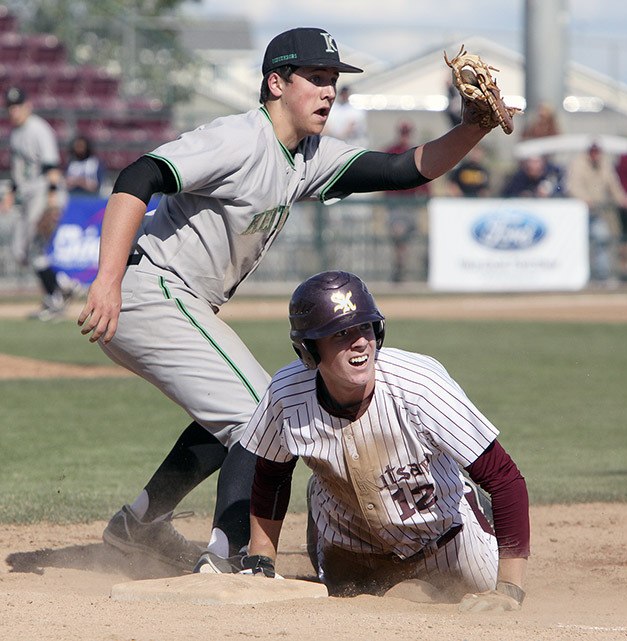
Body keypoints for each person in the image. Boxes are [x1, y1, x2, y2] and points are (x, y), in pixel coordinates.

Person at [77, 27, 505, 576]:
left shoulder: (305, 155)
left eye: (334, 81)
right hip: (150, 290)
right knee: (261, 412)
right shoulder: (240, 139)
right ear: (276, 83)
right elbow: (140, 173)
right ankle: (227, 559)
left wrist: (473, 128)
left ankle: (137, 527)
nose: (329, 92)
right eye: (317, 79)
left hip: (177, 299)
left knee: (231, 411)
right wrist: (107, 279)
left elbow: (403, 169)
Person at [240, 271, 530, 612]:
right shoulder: (287, 392)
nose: (360, 342)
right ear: (309, 350)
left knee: (474, 594)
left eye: (365, 327)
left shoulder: (418, 385)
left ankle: (468, 500)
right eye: (341, 333)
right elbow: (271, 474)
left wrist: (509, 589)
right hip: (350, 543)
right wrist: (260, 559)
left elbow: (504, 477)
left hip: (445, 542)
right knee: (345, 594)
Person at [0, 86, 73, 321]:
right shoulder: (15, 134)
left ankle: (56, 298)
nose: (14, 111)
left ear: (27, 105)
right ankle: (62, 287)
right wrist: (10, 193)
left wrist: (51, 201)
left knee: (32, 249)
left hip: (44, 193)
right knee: (22, 250)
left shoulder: (38, 129)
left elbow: (52, 166)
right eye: (10, 107)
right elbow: (18, 172)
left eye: (17, 106)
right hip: (29, 196)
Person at [566, 142, 627, 285]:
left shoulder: (604, 165)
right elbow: (573, 186)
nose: (596, 155)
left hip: (596, 212)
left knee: (602, 237)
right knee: (575, 243)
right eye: (593, 152)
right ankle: (574, 275)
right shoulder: (578, 164)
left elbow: (613, 185)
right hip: (578, 212)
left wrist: (622, 199)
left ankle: (602, 276)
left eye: (598, 152)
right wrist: (585, 199)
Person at [382, 121, 430, 282]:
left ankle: (410, 270)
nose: (405, 136)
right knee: (399, 236)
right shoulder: (391, 151)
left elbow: (423, 177)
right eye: (403, 133)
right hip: (395, 203)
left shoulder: (414, 152)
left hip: (411, 204)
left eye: (407, 133)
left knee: (410, 238)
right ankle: (399, 270)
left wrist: (425, 194)